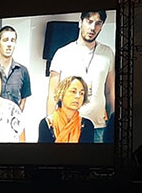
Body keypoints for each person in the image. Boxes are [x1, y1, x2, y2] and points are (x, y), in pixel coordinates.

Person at [46, 11, 115, 143]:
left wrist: (113, 122)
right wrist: (50, 122)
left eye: (98, 23)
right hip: (67, 125)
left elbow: (110, 91)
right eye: (89, 22)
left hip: (98, 126)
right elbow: (53, 93)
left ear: (101, 26)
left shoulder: (107, 53)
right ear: (80, 22)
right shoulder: (62, 53)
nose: (93, 28)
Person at [38, 76, 95, 143]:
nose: (78, 96)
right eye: (73, 91)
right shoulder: (47, 124)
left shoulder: (87, 125)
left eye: (81, 93)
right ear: (61, 94)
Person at [0, 25, 31, 110]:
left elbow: (23, 99)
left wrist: (17, 115)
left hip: (14, 117)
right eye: (5, 40)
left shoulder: (22, 71)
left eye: (12, 40)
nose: (9, 45)